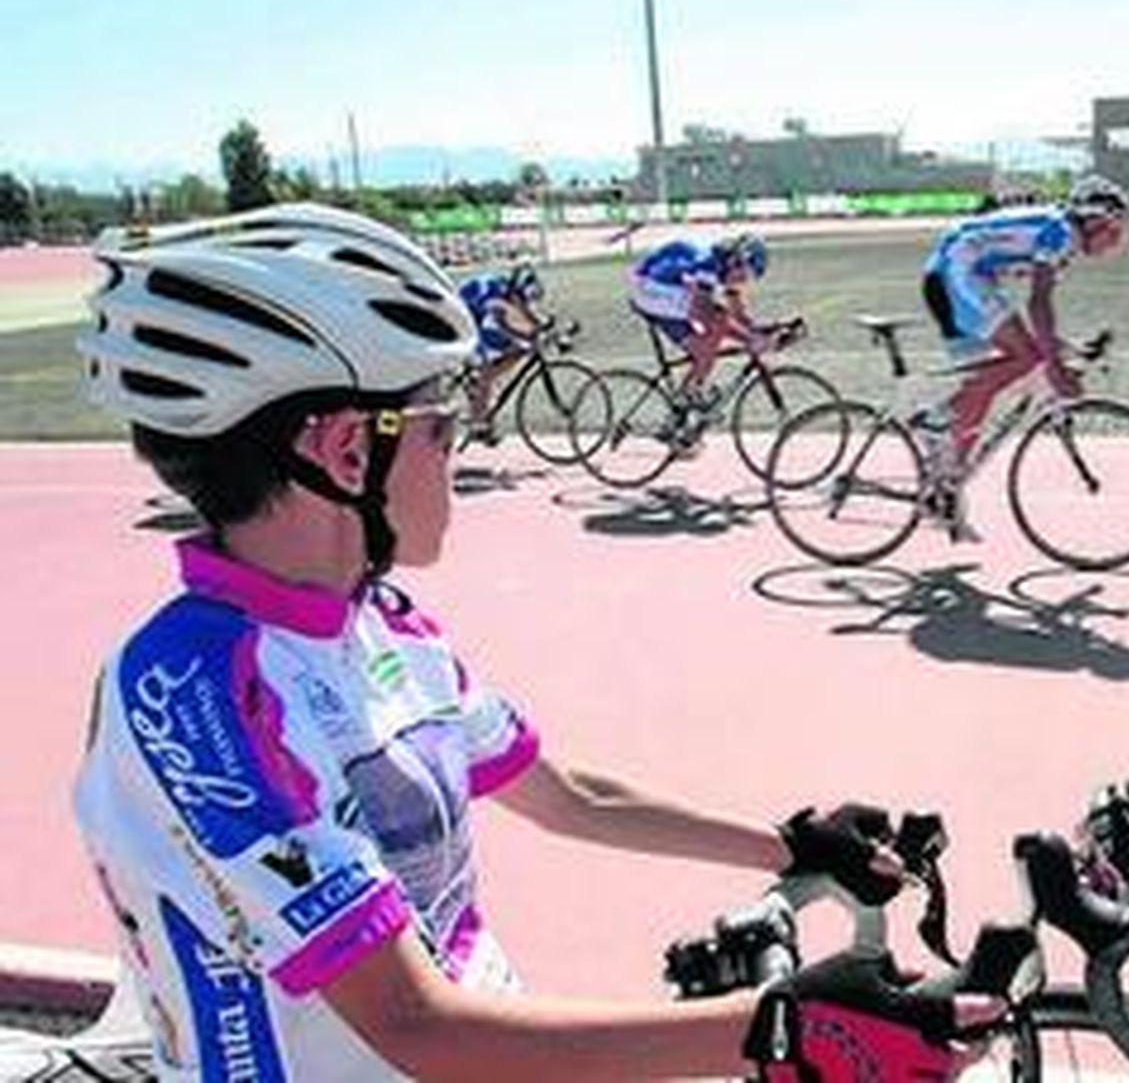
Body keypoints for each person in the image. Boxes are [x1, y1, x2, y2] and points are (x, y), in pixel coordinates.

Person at [71, 203, 984, 1079]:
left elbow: (568, 796)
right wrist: (772, 1031)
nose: (458, 452)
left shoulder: (381, 623)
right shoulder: (193, 693)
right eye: (444, 428)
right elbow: (412, 1023)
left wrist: (790, 845)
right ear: (349, 450)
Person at [912, 177, 1129, 540]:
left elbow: (1039, 320)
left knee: (981, 391)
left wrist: (1072, 349)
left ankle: (945, 492)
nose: (1117, 243)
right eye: (1115, 232)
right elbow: (1038, 305)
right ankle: (934, 420)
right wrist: (1056, 368)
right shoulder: (1060, 232)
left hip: (959, 274)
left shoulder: (1064, 236)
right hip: (957, 272)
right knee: (1028, 357)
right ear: (1095, 221)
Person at [627, 231, 774, 416]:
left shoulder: (728, 263)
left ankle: (681, 412)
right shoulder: (708, 263)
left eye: (749, 278)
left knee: (710, 339)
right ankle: (688, 393)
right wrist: (749, 339)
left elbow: (739, 314)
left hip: (666, 283)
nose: (743, 281)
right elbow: (704, 313)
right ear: (736, 261)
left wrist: (764, 331)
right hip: (649, 286)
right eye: (744, 274)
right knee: (713, 328)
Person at [456, 260, 546, 445]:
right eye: (522, 298)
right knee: (489, 367)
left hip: (473, 317)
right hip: (462, 323)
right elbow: (503, 325)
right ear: (516, 291)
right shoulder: (495, 293)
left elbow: (527, 313)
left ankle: (480, 394)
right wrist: (530, 335)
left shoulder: (509, 291)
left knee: (519, 349)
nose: (523, 303)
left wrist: (543, 327)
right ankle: (478, 421)